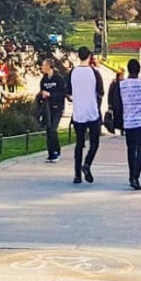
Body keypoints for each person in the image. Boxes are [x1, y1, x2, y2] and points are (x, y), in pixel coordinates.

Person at [67, 46, 102, 184]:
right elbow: (100, 91)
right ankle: (87, 164)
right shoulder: (94, 72)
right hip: (92, 112)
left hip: (78, 113)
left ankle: (77, 175)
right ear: (89, 56)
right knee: (94, 143)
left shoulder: (73, 72)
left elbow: (68, 91)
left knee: (79, 144)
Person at [120, 58, 141, 190]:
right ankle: (135, 176)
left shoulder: (122, 85)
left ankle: (131, 175)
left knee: (131, 149)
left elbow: (117, 102)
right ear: (139, 71)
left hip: (128, 122)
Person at [38, 58, 66, 162]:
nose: (42, 67)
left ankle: (56, 151)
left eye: (44, 65)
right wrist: (42, 95)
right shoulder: (44, 79)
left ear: (49, 66)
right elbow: (41, 91)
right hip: (47, 108)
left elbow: (63, 93)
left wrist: (51, 94)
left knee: (53, 129)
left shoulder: (58, 78)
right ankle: (50, 153)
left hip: (57, 107)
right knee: (49, 129)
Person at [108, 67, 124, 134]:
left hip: (118, 103)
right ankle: (117, 129)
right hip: (117, 103)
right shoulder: (115, 83)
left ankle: (120, 129)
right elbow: (110, 93)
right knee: (117, 116)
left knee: (119, 116)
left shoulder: (118, 82)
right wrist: (110, 103)